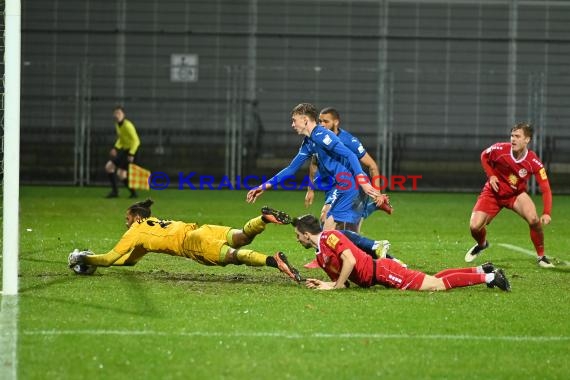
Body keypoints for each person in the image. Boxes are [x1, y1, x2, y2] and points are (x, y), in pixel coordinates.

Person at [68, 199, 302, 282]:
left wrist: (83, 257)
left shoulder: (136, 231)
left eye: (127, 218)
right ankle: (263, 219)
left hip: (193, 244)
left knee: (233, 256)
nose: (126, 223)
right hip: (203, 229)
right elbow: (129, 261)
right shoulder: (154, 223)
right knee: (241, 236)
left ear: (137, 217)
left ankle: (274, 261)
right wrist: (93, 262)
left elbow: (109, 259)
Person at [246, 103, 381, 232]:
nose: (292, 124)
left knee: (331, 231)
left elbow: (351, 155)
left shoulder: (323, 135)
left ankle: (372, 246)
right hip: (341, 186)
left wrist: (362, 182)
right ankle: (370, 245)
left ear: (305, 120)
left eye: (294, 120)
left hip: (350, 185)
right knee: (334, 233)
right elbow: (291, 169)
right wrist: (263, 187)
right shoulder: (309, 142)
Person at [291, 214, 511, 292]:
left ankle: (490, 277)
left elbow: (349, 260)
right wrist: (326, 285)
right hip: (381, 276)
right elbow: (345, 282)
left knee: (436, 286)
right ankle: (481, 269)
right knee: (434, 280)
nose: (297, 238)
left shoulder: (331, 237)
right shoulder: (320, 256)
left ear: (305, 233)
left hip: (384, 271)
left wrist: (336, 286)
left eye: (297, 234)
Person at [465, 122, 554, 268]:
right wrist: (492, 175)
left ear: (527, 140)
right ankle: (482, 244)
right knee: (474, 227)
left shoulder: (533, 162)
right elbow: (484, 156)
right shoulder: (500, 149)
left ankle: (541, 256)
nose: (513, 139)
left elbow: (546, 188)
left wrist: (547, 212)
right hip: (493, 193)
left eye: (517, 136)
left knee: (534, 220)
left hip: (515, 194)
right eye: (512, 135)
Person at [304, 107, 392, 230]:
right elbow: (314, 163)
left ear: (336, 122)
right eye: (320, 121)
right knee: (338, 223)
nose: (322, 124)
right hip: (332, 186)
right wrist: (310, 189)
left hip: (351, 184)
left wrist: (376, 193)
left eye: (326, 121)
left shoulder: (349, 141)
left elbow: (372, 165)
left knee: (346, 226)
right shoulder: (317, 137)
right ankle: (374, 208)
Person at [105, 105, 141, 199]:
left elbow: (136, 141)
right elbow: (121, 139)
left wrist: (131, 153)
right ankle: (116, 192)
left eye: (119, 113)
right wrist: (115, 148)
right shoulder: (118, 125)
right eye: (116, 113)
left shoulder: (128, 125)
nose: (117, 115)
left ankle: (133, 193)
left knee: (121, 174)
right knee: (109, 167)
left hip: (131, 151)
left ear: (123, 114)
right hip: (125, 151)